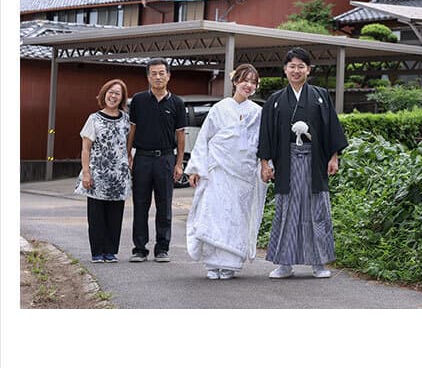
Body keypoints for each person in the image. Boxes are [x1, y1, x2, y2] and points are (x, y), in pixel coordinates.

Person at [258, 47, 347, 278]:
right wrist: (265, 163)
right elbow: (266, 134)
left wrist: (334, 156)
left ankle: (319, 263)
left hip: (315, 161)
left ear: (309, 69)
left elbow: (331, 129)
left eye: (301, 66)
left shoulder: (320, 95)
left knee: (316, 210)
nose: (296, 70)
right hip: (286, 163)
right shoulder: (275, 100)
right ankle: (285, 264)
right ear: (284, 70)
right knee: (287, 210)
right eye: (292, 66)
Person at [185, 64, 268, 280]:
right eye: (244, 80)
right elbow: (204, 138)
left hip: (244, 173)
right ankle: (213, 264)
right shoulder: (220, 108)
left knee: (237, 216)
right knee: (215, 213)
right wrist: (196, 168)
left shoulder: (258, 113)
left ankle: (230, 263)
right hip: (219, 169)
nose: (248, 85)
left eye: (253, 82)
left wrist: (266, 166)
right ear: (235, 82)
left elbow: (263, 144)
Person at [126, 58, 187, 263]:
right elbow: (132, 129)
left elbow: (180, 135)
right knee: (140, 205)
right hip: (142, 158)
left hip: (166, 159)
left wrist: (179, 163)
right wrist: (128, 154)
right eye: (154, 73)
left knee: (164, 206)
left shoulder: (177, 103)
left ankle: (162, 248)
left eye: (162, 73)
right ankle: (139, 249)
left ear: (168, 75)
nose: (158, 77)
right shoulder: (138, 100)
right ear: (148, 77)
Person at [75, 80, 131, 263]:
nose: (113, 96)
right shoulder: (94, 118)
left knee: (115, 216)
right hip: (97, 174)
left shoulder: (126, 120)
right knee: (97, 216)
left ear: (122, 98)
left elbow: (128, 146)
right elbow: (86, 149)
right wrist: (86, 172)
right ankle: (97, 252)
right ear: (104, 93)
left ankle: (110, 251)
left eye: (117, 93)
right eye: (110, 92)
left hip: (118, 175)